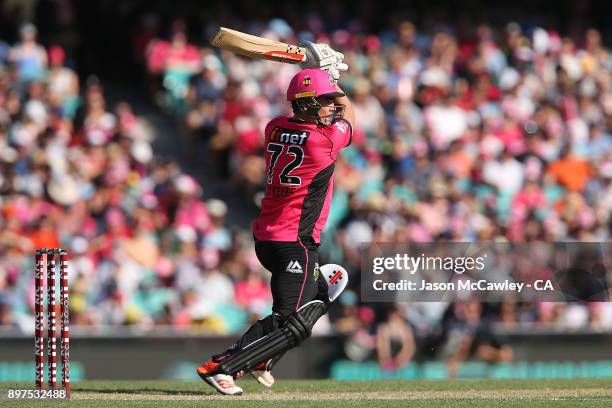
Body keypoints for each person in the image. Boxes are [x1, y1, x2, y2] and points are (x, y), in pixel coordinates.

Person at [196, 67, 355, 395]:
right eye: (325, 101)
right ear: (309, 104)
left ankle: (261, 359)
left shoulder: (274, 127)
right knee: (291, 322)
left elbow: (334, 113)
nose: (332, 107)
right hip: (294, 242)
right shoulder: (322, 140)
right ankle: (223, 366)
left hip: (268, 239)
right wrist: (333, 79)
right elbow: (349, 117)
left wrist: (321, 79)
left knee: (308, 307)